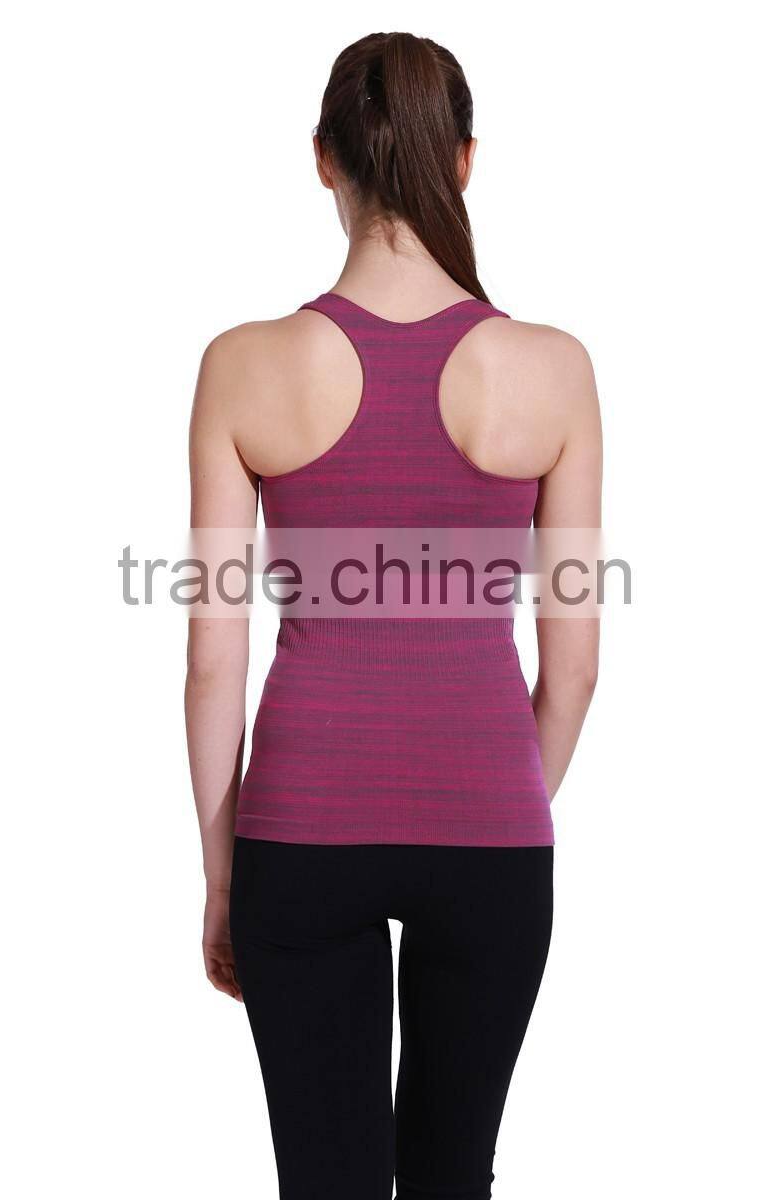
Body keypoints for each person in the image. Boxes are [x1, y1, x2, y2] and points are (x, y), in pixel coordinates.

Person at [186, 31, 601, 1200]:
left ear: (324, 158)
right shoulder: (553, 369)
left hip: (299, 831)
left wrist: (221, 877)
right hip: (491, 834)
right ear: (463, 160)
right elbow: (573, 670)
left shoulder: (243, 365)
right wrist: (499, 807)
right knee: (450, 1176)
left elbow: (212, 663)